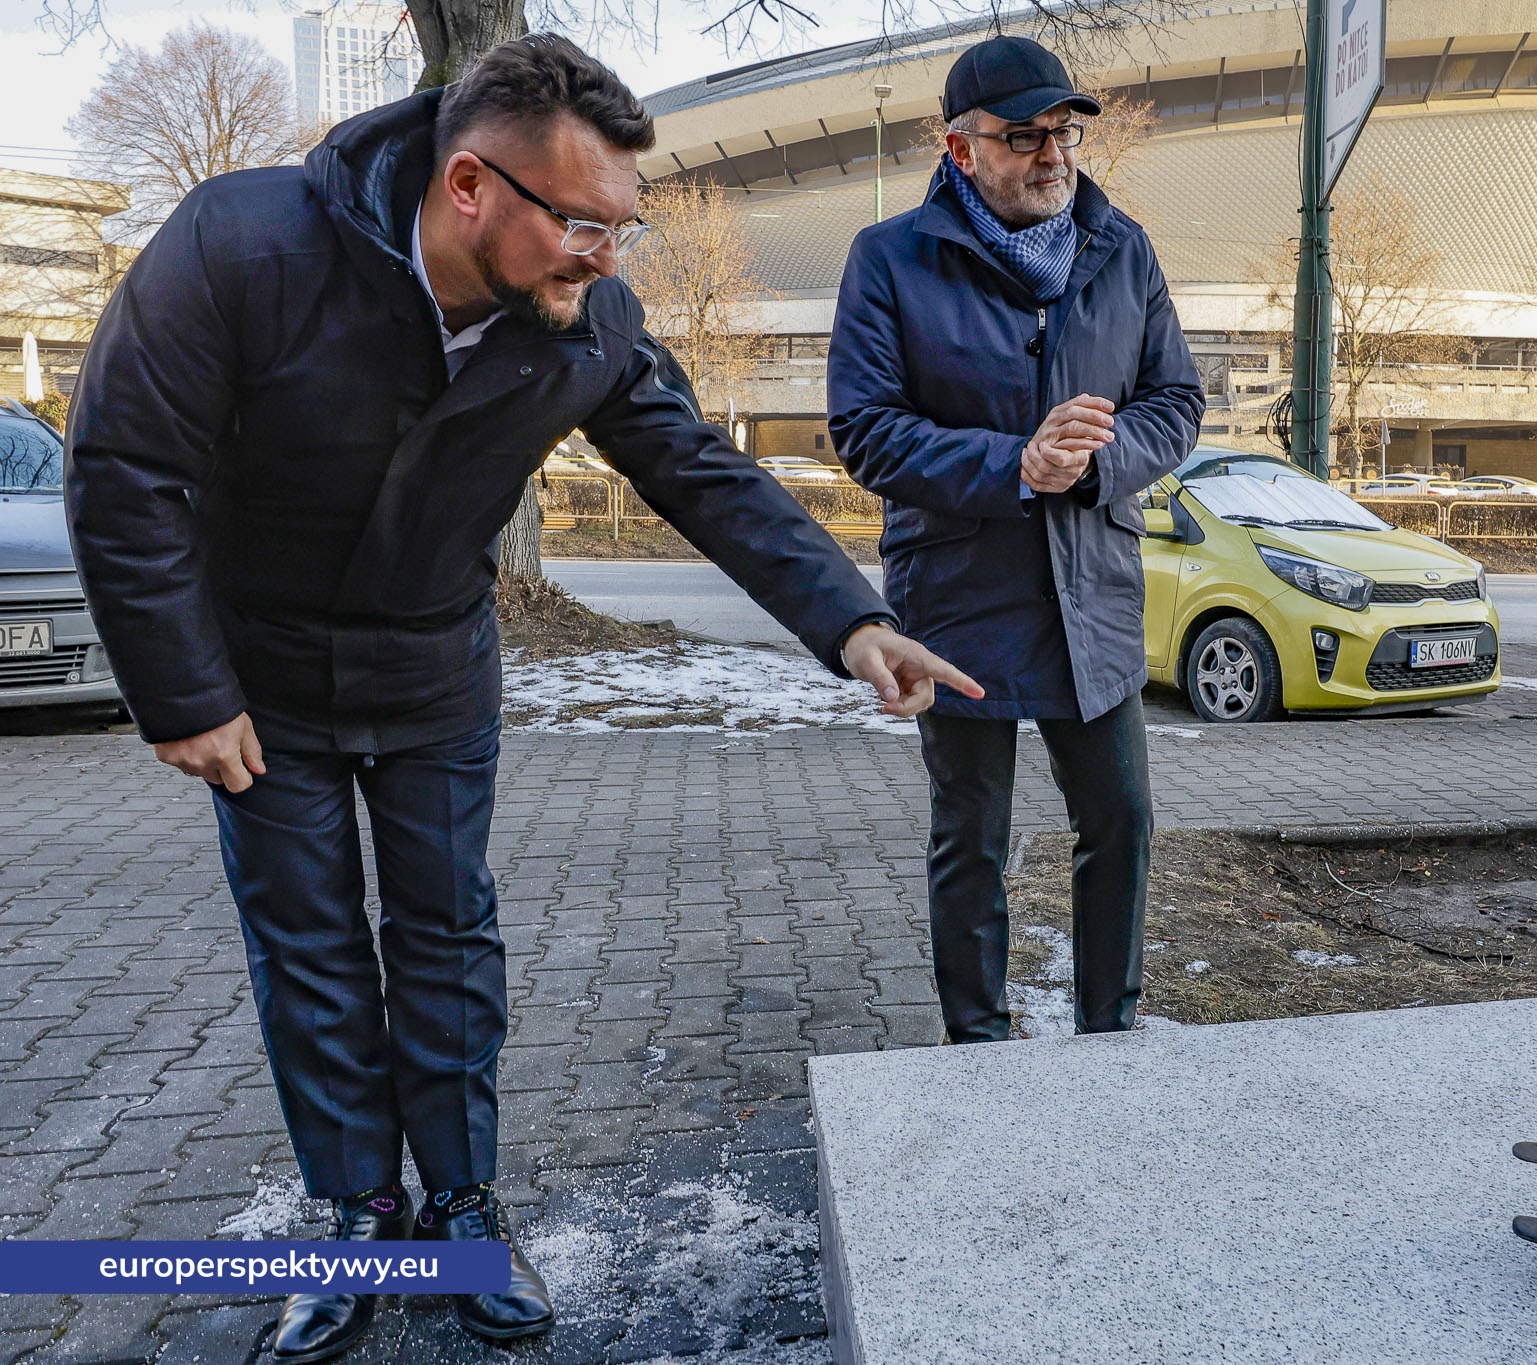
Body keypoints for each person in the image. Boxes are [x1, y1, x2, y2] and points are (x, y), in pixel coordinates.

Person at [65, 34, 976, 1363]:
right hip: (257, 684)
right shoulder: (243, 247)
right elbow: (124, 466)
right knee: (311, 952)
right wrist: (185, 695)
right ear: (473, 186)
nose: (611, 255)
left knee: (446, 940)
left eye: (626, 225)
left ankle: (463, 1208)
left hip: (433, 668)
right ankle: (356, 1212)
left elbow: (698, 474)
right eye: (584, 223)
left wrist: (851, 620)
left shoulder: (588, 318)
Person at [828, 35, 1204, 1044]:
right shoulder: (890, 258)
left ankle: (1109, 1034)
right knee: (971, 840)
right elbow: (863, 428)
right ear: (961, 151)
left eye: (1063, 132)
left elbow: (1175, 398)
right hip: (958, 596)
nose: (1051, 155)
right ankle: (976, 1046)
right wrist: (1013, 465)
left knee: (1120, 821)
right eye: (1021, 137)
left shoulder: (1120, 248)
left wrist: (1098, 458)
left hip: (1093, 591)